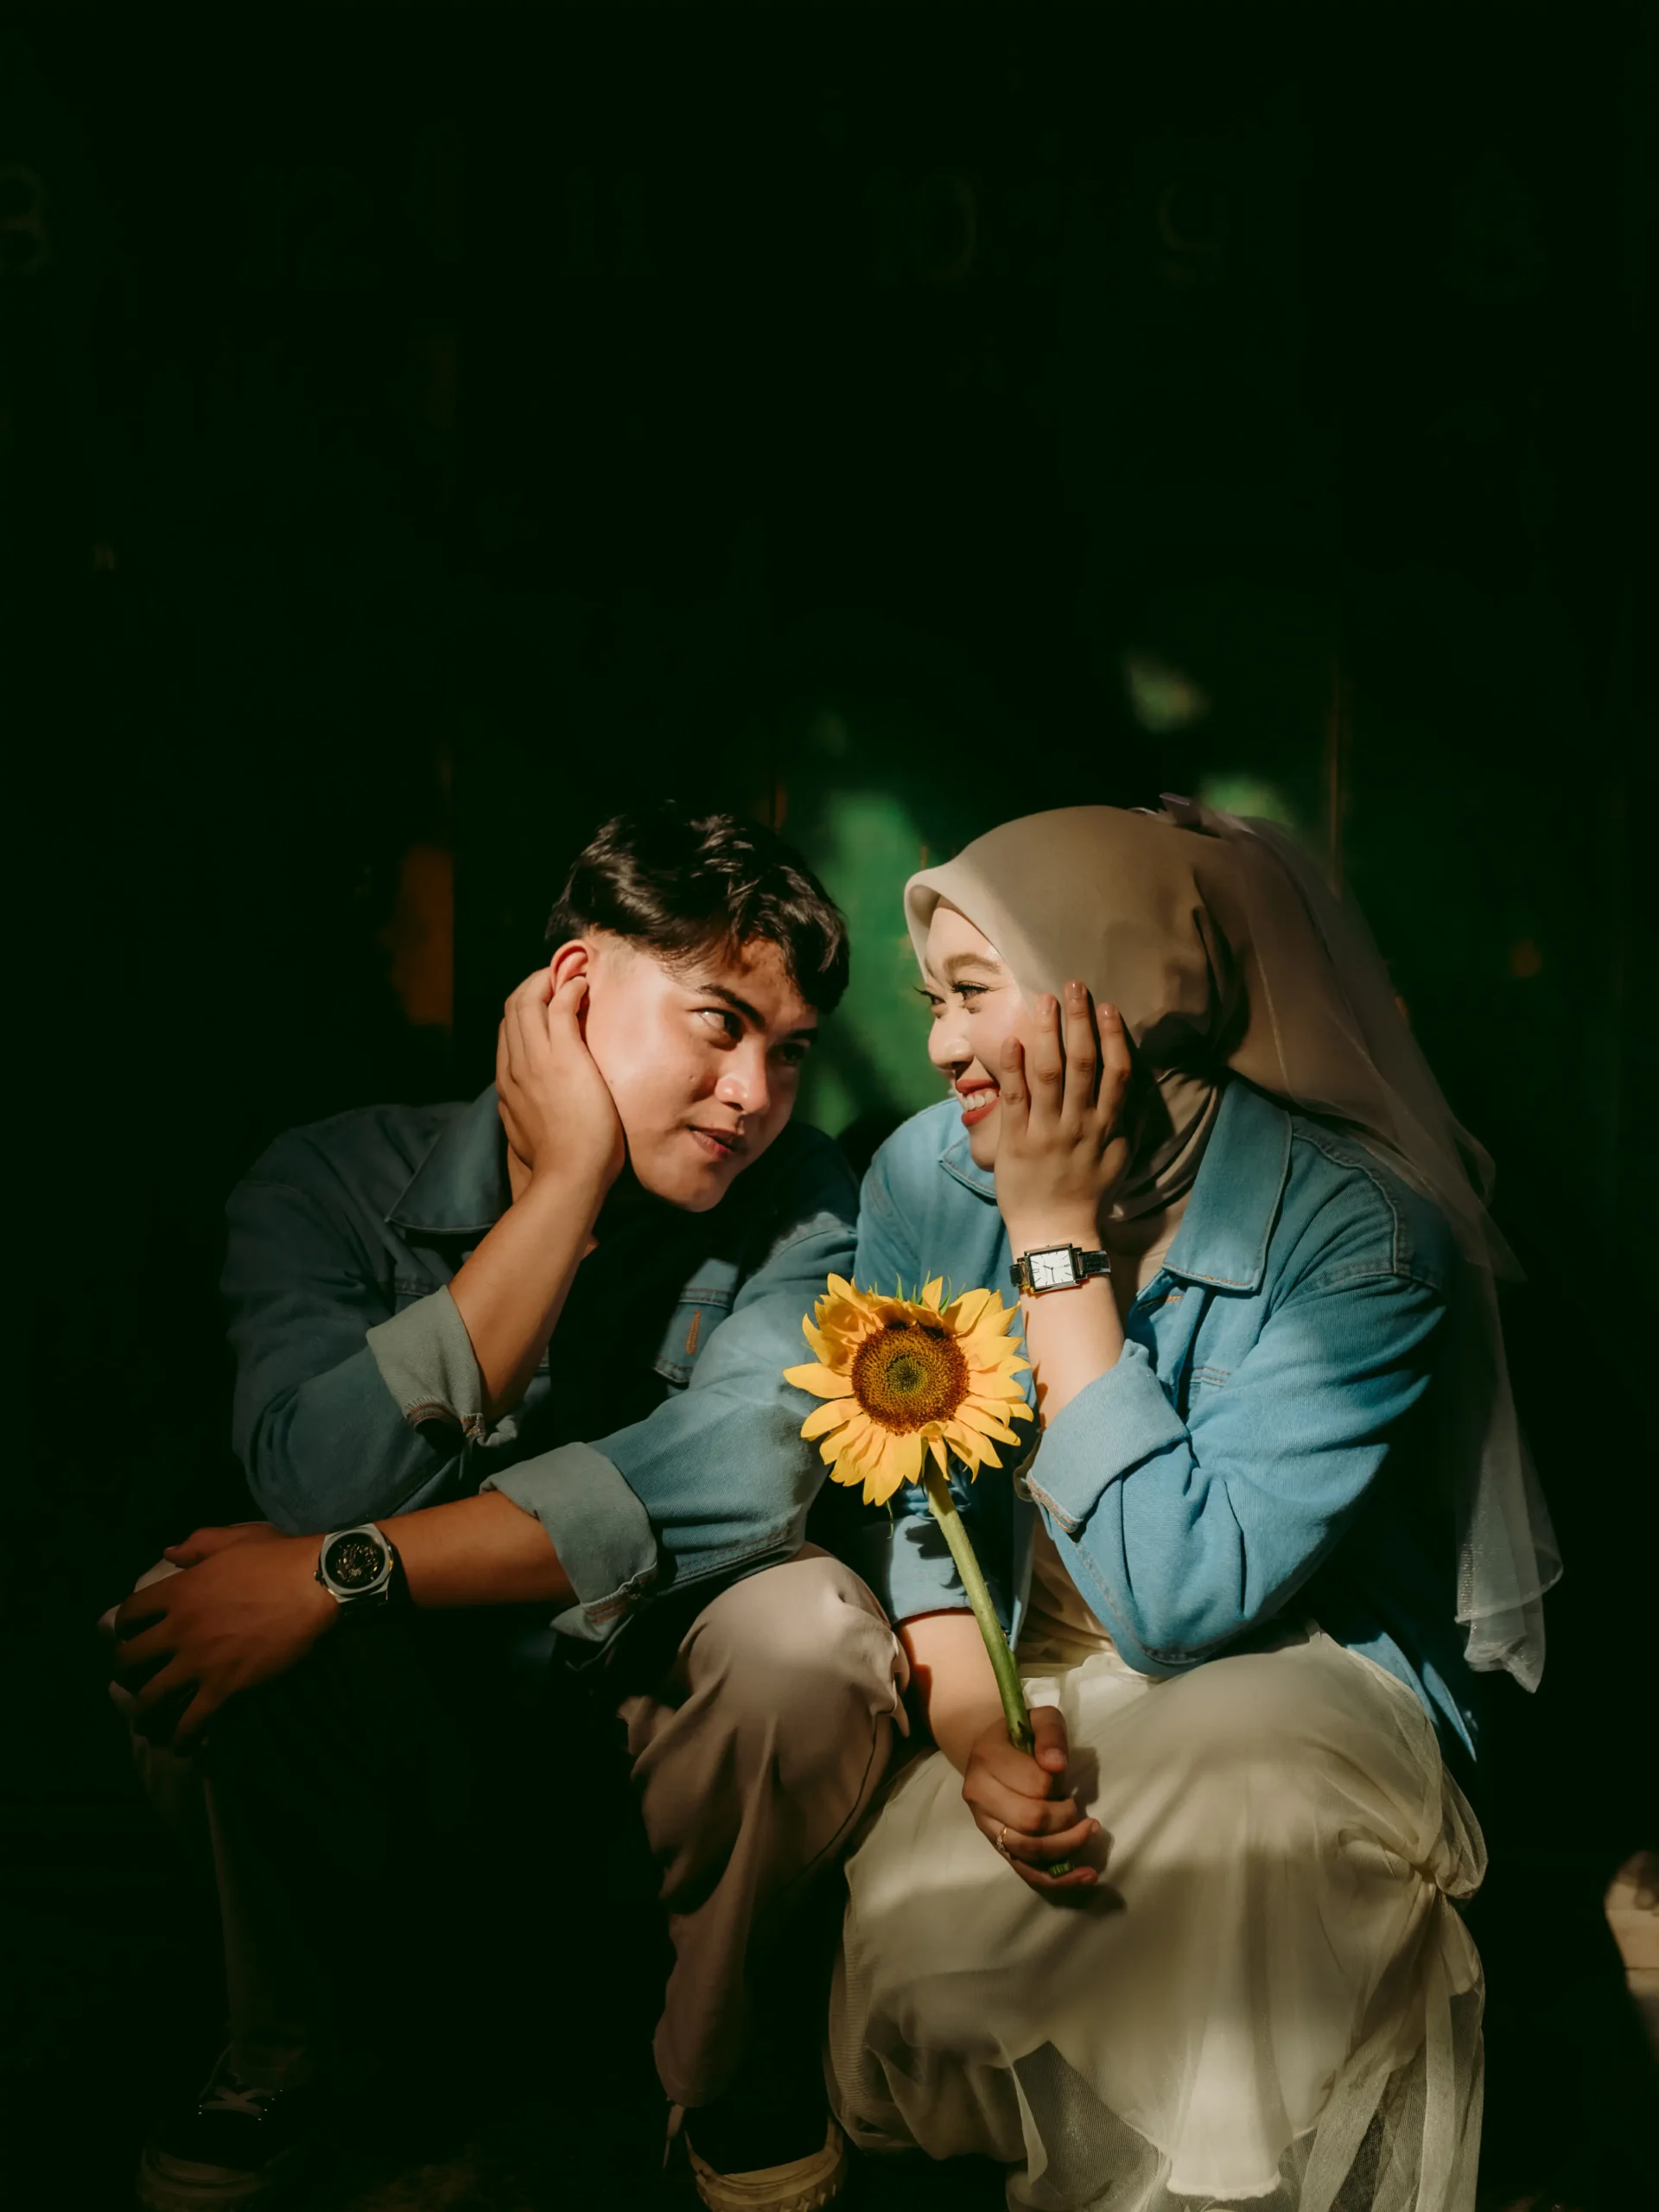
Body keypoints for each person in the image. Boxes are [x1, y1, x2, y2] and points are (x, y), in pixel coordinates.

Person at [111, 804, 906, 2212]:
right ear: (574, 988)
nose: (754, 1094)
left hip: (653, 1734)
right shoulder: (329, 1182)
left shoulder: (804, 1199)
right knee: (179, 1606)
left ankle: (725, 2064)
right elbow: (315, 1478)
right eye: (720, 1024)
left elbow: (754, 1467)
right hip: (408, 1739)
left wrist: (340, 1570)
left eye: (788, 1052)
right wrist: (563, 1195)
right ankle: (284, 2047)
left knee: (813, 1627)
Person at [826, 801, 1560, 2212]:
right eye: (932, 1004)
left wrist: (1052, 1242)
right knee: (941, 1926)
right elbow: (911, 1488)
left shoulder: (1363, 1231)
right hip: (1031, 1671)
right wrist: (974, 1728)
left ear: (1109, 989)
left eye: (974, 993)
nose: (941, 1047)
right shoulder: (923, 1173)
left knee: (1244, 1819)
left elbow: (1177, 1604)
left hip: (1299, 1669)